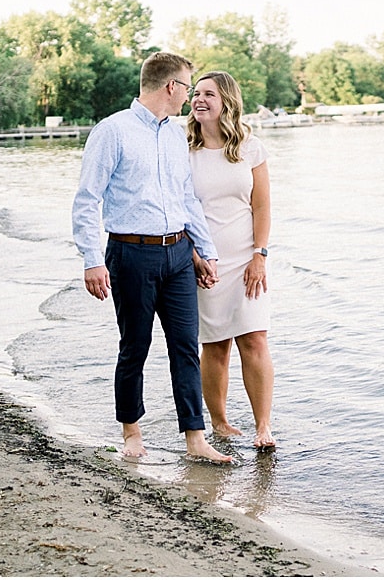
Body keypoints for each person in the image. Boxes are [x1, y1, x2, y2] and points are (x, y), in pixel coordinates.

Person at [71, 51, 233, 464]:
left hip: (178, 253)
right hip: (130, 254)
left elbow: (185, 197)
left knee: (184, 347)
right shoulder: (113, 131)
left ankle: (195, 437)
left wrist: (204, 250)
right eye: (186, 89)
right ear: (170, 87)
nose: (189, 99)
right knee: (135, 346)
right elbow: (87, 200)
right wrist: (92, 260)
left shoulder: (175, 134)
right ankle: (131, 431)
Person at [186, 70, 276, 450]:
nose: (199, 99)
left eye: (209, 94)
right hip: (203, 261)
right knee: (215, 344)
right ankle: (220, 423)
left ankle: (263, 427)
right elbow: (176, 208)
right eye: (195, 93)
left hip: (246, 259)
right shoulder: (181, 148)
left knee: (254, 339)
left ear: (227, 101)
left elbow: (262, 205)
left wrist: (260, 254)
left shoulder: (250, 147)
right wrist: (193, 256)